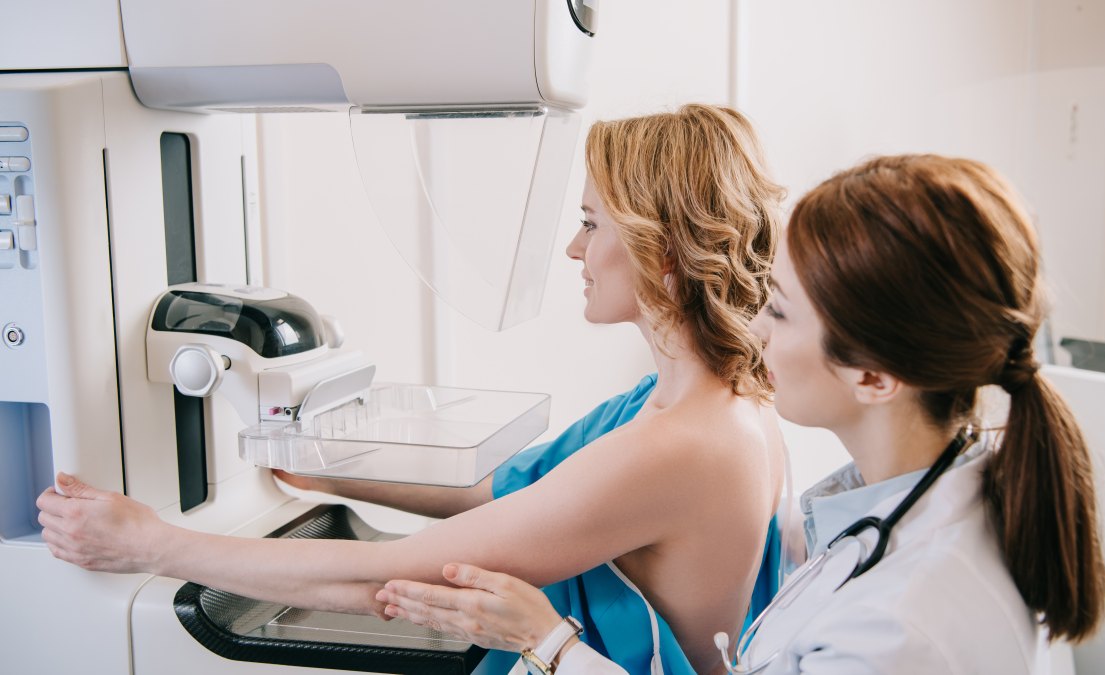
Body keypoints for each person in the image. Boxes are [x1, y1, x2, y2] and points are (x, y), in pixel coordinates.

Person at [36, 104, 790, 675]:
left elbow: (393, 574)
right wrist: (323, 470)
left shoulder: (684, 444)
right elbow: (513, 492)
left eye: (591, 224)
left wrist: (152, 544)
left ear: (662, 251)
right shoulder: (694, 400)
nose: (573, 248)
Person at [374, 154, 1105, 674]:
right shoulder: (941, 500)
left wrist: (551, 644)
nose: (754, 330)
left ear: (873, 376)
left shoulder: (895, 631)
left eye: (780, 312)